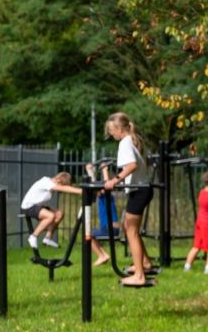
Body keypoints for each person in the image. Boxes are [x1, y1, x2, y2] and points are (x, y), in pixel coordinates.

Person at [102, 112, 154, 287]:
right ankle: (145, 263)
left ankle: (139, 276)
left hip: (139, 191)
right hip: (141, 189)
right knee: (129, 228)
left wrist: (114, 181)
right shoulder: (134, 139)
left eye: (111, 130)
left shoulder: (125, 142)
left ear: (118, 128)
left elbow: (132, 165)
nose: (111, 134)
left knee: (131, 232)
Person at [19, 170, 109, 265]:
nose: (60, 188)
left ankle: (47, 238)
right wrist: (82, 191)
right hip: (28, 207)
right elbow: (64, 189)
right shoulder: (47, 182)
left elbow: (64, 187)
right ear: (59, 180)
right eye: (62, 185)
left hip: (36, 206)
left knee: (59, 214)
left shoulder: (50, 182)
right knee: (51, 216)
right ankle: (33, 236)